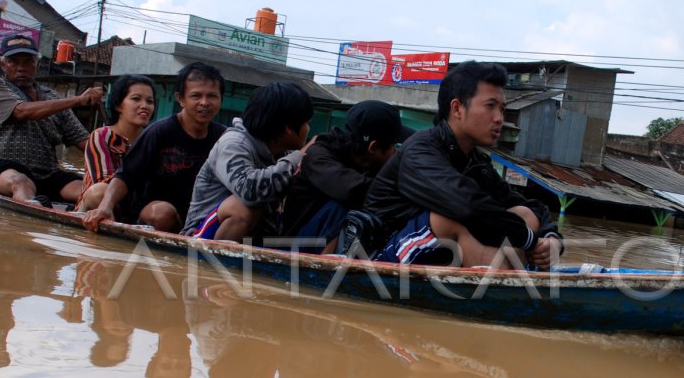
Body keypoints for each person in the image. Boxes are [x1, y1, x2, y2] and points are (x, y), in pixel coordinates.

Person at [362, 61, 564, 269]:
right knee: (449, 216)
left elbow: (531, 206)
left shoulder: (475, 162)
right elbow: (466, 205)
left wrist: (551, 239)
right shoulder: (419, 152)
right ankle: (505, 285)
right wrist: (529, 239)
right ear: (457, 108)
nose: (499, 119)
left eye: (502, 109)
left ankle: (512, 279)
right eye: (490, 106)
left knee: (524, 214)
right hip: (380, 252)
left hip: (433, 252)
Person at [83, 61, 226, 233]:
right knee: (161, 213)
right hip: (153, 214)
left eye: (212, 96)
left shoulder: (225, 138)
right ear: (180, 99)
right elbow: (126, 175)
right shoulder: (159, 132)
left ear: (220, 99)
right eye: (196, 96)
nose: (204, 102)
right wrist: (105, 207)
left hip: (201, 217)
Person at [0, 32, 103, 205]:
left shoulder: (53, 97)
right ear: (3, 64)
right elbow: (21, 111)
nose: (21, 67)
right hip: (3, 169)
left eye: (28, 61)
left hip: (47, 174)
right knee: (20, 182)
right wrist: (78, 100)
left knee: (94, 191)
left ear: (37, 63)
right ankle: (29, 209)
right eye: (14, 61)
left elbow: (86, 143)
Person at [182, 81, 313, 241]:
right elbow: (248, 191)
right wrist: (297, 158)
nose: (308, 129)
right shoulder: (234, 143)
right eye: (306, 123)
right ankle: (209, 261)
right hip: (200, 238)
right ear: (288, 127)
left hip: (255, 239)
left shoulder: (281, 151)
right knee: (243, 208)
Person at [280, 99, 412, 252]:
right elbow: (363, 191)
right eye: (393, 147)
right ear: (373, 147)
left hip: (321, 242)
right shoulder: (320, 158)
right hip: (294, 247)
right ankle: (324, 272)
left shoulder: (367, 162)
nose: (395, 154)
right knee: (346, 206)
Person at [76, 74, 155, 212]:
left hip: (136, 208)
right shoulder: (102, 136)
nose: (144, 106)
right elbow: (103, 181)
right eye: (136, 99)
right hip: (95, 205)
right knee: (100, 191)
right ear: (119, 105)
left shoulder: (152, 140)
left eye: (149, 101)